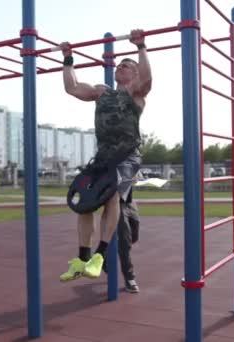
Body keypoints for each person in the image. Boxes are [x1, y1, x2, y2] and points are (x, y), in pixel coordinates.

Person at [59, 29, 152, 283]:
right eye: (119, 65)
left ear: (134, 74)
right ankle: (82, 258)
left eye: (126, 65)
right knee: (84, 203)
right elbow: (72, 87)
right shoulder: (101, 92)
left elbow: (147, 78)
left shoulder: (136, 95)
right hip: (103, 157)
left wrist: (141, 47)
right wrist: (68, 59)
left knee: (110, 195)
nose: (120, 67)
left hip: (128, 157)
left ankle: (100, 255)